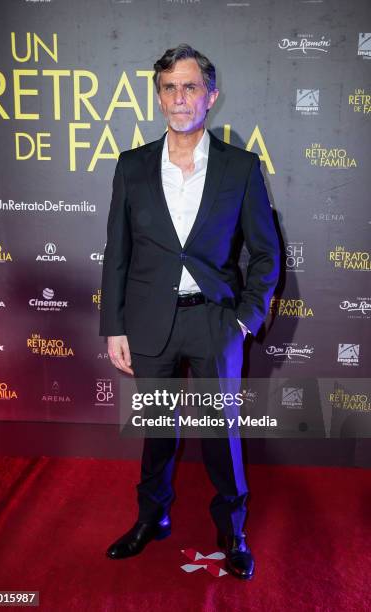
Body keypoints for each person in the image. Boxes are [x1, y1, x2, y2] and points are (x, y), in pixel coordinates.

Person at [99, 43, 280, 580]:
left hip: (214, 321)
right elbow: (117, 253)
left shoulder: (240, 167)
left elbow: (267, 253)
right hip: (149, 320)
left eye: (190, 86)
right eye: (170, 88)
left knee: (220, 435)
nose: (180, 97)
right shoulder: (131, 166)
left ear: (211, 96)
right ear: (159, 98)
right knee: (157, 430)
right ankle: (151, 519)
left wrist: (245, 318)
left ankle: (233, 530)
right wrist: (114, 327)